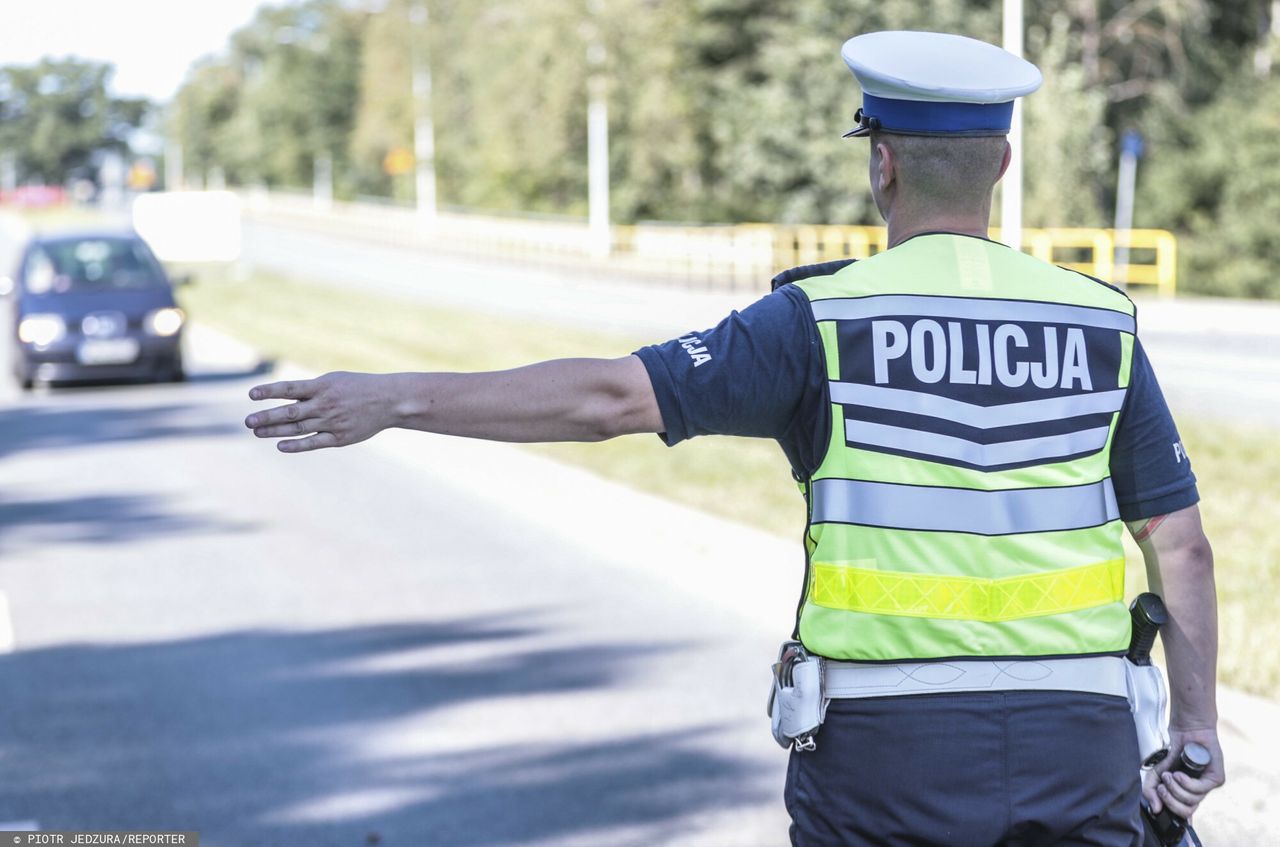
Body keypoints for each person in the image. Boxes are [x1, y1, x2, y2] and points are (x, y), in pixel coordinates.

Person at [243, 30, 1223, 847]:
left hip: (885, 758)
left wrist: (396, 397)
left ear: (879, 163)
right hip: (1079, 747)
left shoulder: (816, 320)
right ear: (1000, 164)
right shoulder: (1096, 321)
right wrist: (1193, 733)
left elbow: (604, 399)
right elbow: (1174, 543)